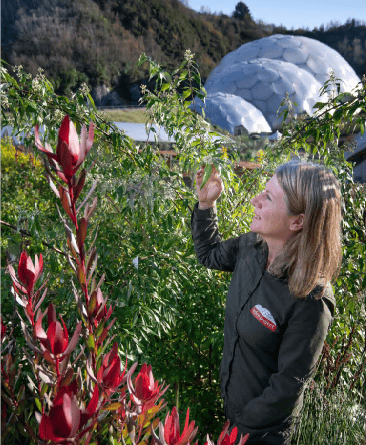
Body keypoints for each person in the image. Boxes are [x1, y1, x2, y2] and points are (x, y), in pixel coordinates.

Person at [191, 160, 342, 445]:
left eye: (268, 197)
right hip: (232, 416)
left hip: (261, 435)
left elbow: (286, 387)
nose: (254, 200)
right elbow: (209, 254)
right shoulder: (252, 247)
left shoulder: (311, 299)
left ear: (297, 221)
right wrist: (205, 205)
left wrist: (240, 431)